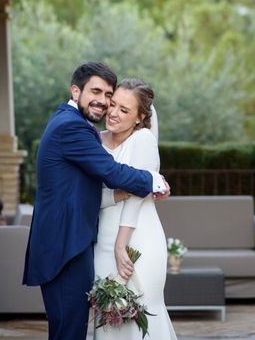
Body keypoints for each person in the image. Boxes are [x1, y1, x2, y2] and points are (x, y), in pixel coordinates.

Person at [22, 62, 169, 340]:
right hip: (66, 246)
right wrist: (154, 181)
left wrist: (122, 193)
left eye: (108, 95)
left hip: (72, 242)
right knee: (69, 331)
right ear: (76, 91)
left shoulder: (68, 121)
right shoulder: (72, 127)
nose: (103, 102)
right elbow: (112, 172)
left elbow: (85, 191)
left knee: (72, 329)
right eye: (96, 92)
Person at [95, 78, 177, 339]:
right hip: (103, 241)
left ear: (141, 117)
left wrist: (121, 246)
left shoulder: (142, 140)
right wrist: (118, 193)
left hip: (138, 238)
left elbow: (136, 197)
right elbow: (89, 197)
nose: (114, 113)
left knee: (144, 311)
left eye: (125, 110)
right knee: (108, 317)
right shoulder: (93, 140)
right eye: (113, 104)